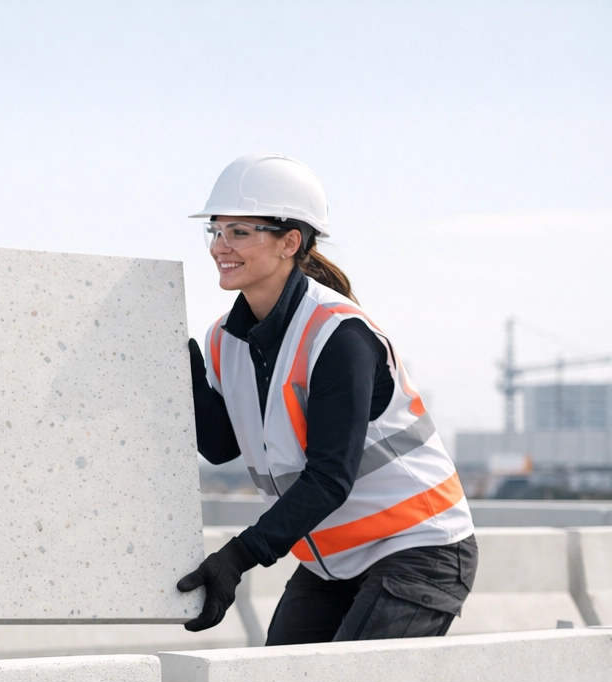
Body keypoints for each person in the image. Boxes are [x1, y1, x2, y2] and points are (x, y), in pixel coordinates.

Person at [176, 152, 476, 644]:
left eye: (240, 232)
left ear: (290, 241)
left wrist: (236, 557)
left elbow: (329, 478)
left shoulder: (339, 336)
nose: (220, 247)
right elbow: (221, 447)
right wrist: (184, 374)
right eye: (215, 230)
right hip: (333, 558)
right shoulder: (223, 339)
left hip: (419, 547)